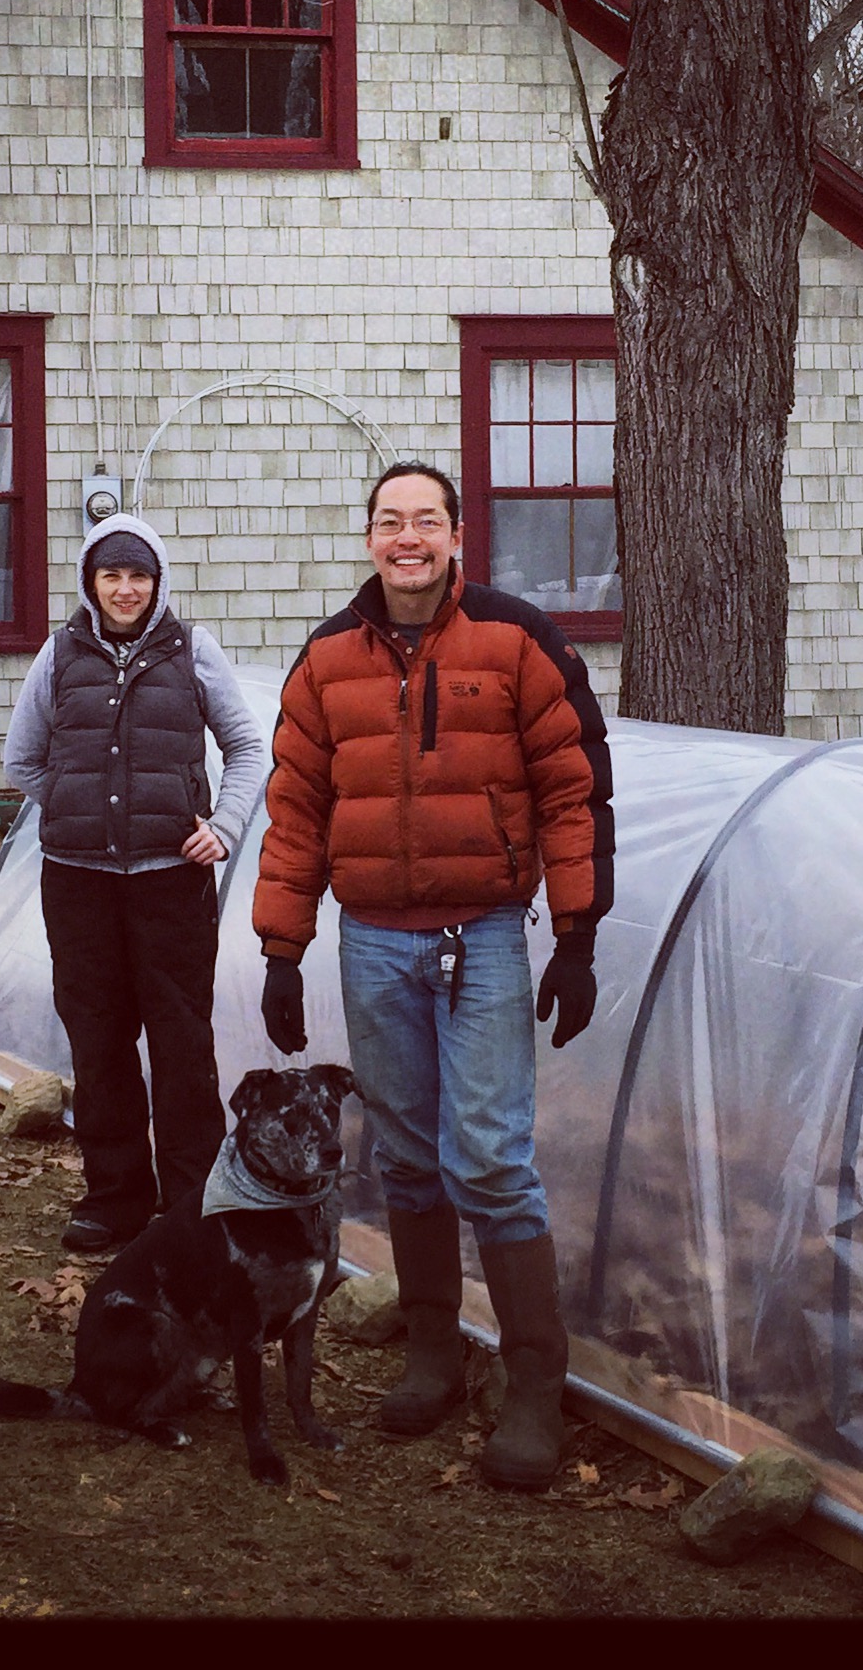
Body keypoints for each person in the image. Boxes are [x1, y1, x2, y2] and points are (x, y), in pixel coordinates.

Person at [253, 460, 612, 1489]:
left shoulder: (515, 640)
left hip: (485, 935)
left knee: (492, 1159)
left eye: (426, 520)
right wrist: (282, 950)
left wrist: (576, 936)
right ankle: (432, 1351)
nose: (406, 536)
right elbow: (295, 812)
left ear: (458, 535)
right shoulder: (325, 659)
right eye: (387, 520)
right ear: (368, 538)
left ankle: (536, 1385)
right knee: (406, 1158)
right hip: (373, 939)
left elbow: (571, 786)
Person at [3, 512, 269, 1256]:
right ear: (91, 582)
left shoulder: (193, 651)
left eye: (138, 575)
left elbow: (247, 747)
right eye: (111, 575)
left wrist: (223, 824)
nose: (125, 589)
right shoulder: (58, 656)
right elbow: (21, 761)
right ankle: (114, 1197)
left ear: (159, 583)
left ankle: (191, 1204)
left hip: (170, 883)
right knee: (99, 1039)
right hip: (79, 886)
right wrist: (77, 804)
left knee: (183, 1044)